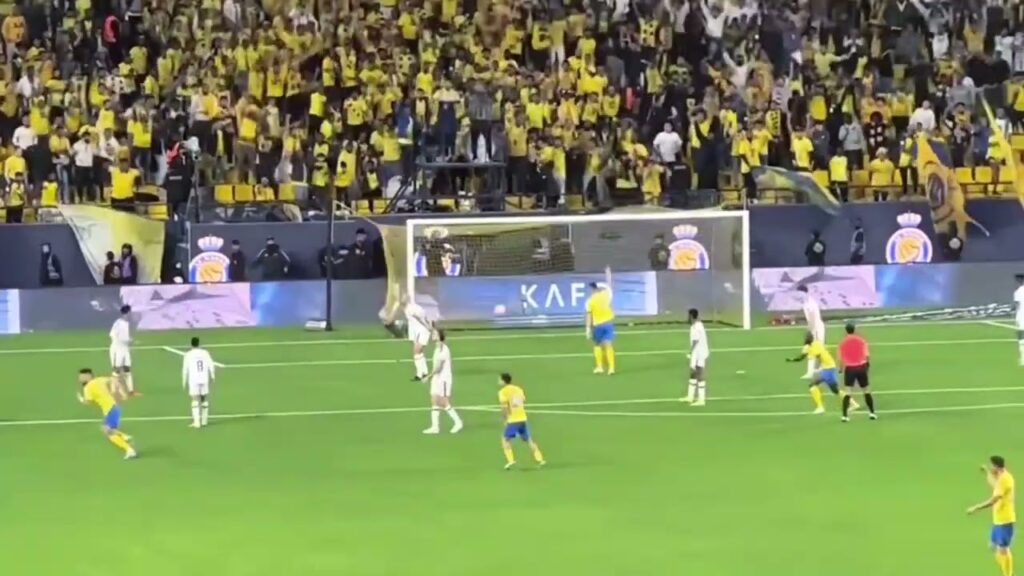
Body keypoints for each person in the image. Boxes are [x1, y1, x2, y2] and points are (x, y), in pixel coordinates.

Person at [787, 332, 858, 415]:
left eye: (807, 338)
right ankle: (854, 404)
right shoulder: (812, 345)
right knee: (835, 390)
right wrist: (792, 360)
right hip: (828, 368)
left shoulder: (815, 346)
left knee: (812, 385)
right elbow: (801, 357)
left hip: (829, 369)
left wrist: (806, 350)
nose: (806, 339)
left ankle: (820, 407)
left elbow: (814, 355)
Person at [968, 456, 1016, 576]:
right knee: (993, 546)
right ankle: (1005, 570)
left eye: (991, 466)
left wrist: (976, 507)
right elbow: (995, 485)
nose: (991, 468)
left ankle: (1008, 574)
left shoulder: (1005, 479)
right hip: (998, 520)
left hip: (1005, 520)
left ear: (996, 466)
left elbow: (993, 500)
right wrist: (987, 472)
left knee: (1003, 549)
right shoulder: (1001, 478)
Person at [76, 368, 137, 459]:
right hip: (114, 407)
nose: (80, 378)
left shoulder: (87, 388)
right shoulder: (99, 380)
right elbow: (114, 379)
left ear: (88, 376)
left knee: (108, 432)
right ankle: (125, 438)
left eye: (81, 376)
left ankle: (129, 448)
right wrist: (121, 392)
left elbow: (88, 402)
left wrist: (81, 399)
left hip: (110, 410)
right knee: (107, 430)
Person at [498, 372, 545, 470]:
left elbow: (504, 407)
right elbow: (522, 400)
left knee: (505, 439)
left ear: (503, 381)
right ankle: (540, 459)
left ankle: (510, 460)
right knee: (529, 439)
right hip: (522, 417)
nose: (498, 381)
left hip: (513, 419)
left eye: (499, 379)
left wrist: (505, 419)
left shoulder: (503, 392)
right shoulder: (518, 389)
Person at [421, 330, 463, 435]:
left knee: (444, 402)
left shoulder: (444, 350)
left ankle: (458, 422)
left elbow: (438, 368)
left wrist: (428, 377)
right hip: (437, 378)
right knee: (434, 400)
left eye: (435, 334)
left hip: (444, 379)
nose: (433, 335)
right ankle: (435, 427)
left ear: (440, 337)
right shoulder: (437, 348)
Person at [837, 323, 877, 422]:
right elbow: (867, 355)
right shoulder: (861, 340)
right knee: (866, 390)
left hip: (850, 368)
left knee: (848, 392)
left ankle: (845, 416)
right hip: (861, 367)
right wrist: (867, 364)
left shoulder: (842, 343)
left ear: (846, 330)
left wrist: (840, 369)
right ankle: (872, 413)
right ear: (854, 330)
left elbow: (840, 358)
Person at [585, 267, 615, 375]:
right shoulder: (605, 295)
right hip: (608, 323)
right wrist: (608, 274)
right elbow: (610, 285)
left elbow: (589, 316)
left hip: (598, 325)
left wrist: (588, 329)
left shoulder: (589, 301)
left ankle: (600, 367)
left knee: (597, 345)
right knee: (608, 345)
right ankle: (611, 368)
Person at [182, 337, 216, 429]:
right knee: (204, 398)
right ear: (199, 343)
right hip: (204, 378)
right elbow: (211, 364)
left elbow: (185, 369)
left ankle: (197, 422)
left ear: (191, 344)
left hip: (194, 379)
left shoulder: (188, 354)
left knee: (194, 399)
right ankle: (204, 421)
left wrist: (184, 381)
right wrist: (212, 375)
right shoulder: (205, 353)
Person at [682, 308, 709, 406]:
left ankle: (701, 399)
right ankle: (690, 397)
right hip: (696, 352)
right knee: (693, 373)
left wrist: (690, 352)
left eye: (688, 316)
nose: (687, 318)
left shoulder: (697, 327)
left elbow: (696, 341)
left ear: (691, 316)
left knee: (699, 373)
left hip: (700, 353)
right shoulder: (695, 325)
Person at [109, 305, 137, 396]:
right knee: (116, 370)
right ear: (127, 313)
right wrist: (127, 341)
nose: (131, 314)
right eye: (130, 312)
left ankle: (131, 391)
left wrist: (128, 341)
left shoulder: (126, 323)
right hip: (117, 349)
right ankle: (113, 391)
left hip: (125, 349)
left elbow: (124, 337)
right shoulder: (118, 323)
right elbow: (112, 335)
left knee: (127, 369)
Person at [404, 295, 432, 381]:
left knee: (416, 352)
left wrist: (428, 326)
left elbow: (419, 318)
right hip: (418, 332)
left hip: (423, 331)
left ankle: (420, 374)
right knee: (419, 352)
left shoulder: (410, 309)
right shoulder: (411, 308)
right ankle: (424, 372)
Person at [798, 285, 824, 379]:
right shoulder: (805, 303)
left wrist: (810, 331)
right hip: (815, 327)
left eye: (800, 293)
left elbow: (812, 318)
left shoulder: (810, 303)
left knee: (812, 349)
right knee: (818, 349)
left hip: (816, 328)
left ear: (805, 293)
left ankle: (810, 373)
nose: (799, 295)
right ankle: (822, 367)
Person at [1014, 274, 1024, 366]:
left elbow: (1017, 305)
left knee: (1021, 336)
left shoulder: (1018, 291)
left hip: (1021, 316)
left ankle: (1023, 359)